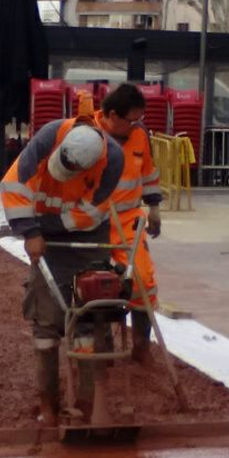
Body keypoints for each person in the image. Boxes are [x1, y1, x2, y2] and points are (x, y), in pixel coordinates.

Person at [0, 113, 124, 423]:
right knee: (45, 314)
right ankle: (48, 405)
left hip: (83, 235)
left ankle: (88, 403)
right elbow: (14, 183)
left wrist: (43, 229)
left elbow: (90, 213)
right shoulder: (49, 136)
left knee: (89, 310)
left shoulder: (113, 159)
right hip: (42, 233)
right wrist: (30, 231)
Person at [93, 83, 162, 363]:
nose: (135, 126)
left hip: (129, 221)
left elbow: (148, 173)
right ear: (111, 115)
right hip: (93, 222)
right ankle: (102, 343)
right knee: (97, 284)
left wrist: (154, 209)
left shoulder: (139, 136)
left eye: (138, 121)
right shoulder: (88, 135)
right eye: (130, 121)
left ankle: (141, 347)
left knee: (142, 282)